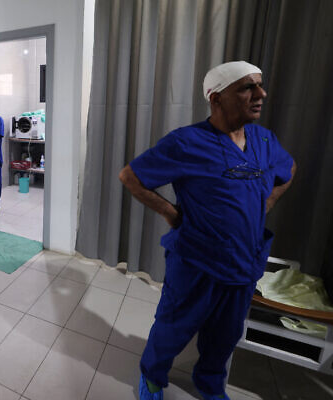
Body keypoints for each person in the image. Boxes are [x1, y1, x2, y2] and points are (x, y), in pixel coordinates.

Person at [118, 61, 296, 400]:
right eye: (247, 87)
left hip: (244, 262)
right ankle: (152, 376)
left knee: (225, 333)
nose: (261, 94)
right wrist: (170, 213)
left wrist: (267, 203)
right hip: (196, 259)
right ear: (216, 99)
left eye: (259, 85)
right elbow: (130, 177)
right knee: (174, 324)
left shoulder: (264, 139)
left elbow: (289, 169)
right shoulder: (187, 142)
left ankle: (210, 383)